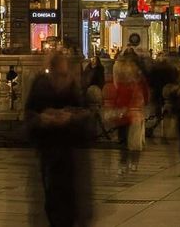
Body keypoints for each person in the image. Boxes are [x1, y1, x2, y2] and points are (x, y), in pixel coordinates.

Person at [26, 51, 93, 226]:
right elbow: (30, 114)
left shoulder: (73, 87)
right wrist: (43, 119)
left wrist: (70, 117)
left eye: (64, 73)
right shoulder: (40, 85)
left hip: (70, 148)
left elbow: (86, 114)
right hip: (49, 147)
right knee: (52, 194)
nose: (61, 78)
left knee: (70, 194)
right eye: (58, 73)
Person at [102, 56, 149, 175]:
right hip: (124, 116)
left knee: (133, 142)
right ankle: (125, 163)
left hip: (133, 116)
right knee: (124, 141)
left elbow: (142, 97)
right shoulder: (121, 85)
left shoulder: (135, 85)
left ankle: (130, 162)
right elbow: (116, 98)